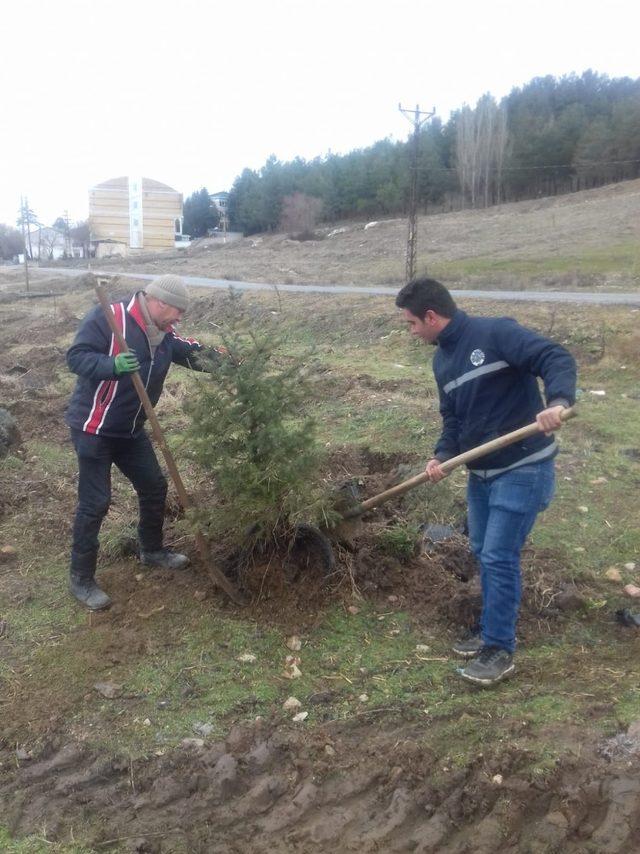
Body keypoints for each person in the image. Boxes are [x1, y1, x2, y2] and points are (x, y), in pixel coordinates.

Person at [395, 277, 576, 686]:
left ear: (431, 316)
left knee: (498, 554)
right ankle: (492, 624)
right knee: (481, 549)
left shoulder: (495, 333)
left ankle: (498, 647)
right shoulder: (441, 362)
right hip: (481, 473)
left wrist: (559, 401)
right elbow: (453, 419)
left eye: (411, 324)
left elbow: (554, 356)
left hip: (524, 467)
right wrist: (442, 455)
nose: (411, 331)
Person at [65, 274, 222, 611]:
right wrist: (111, 365)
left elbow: (192, 352)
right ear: (159, 302)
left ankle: (151, 550)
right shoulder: (110, 317)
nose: (179, 318)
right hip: (94, 427)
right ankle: (81, 578)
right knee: (96, 502)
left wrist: (233, 364)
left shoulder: (163, 334)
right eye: (177, 311)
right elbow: (76, 357)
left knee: (153, 486)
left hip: (130, 429)